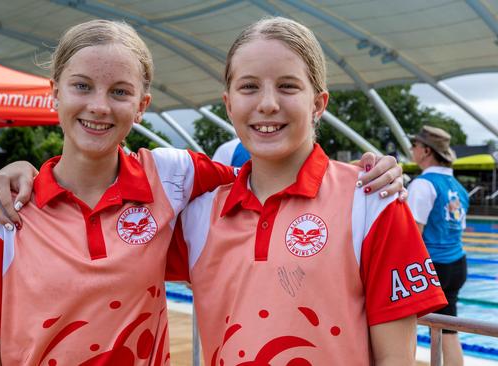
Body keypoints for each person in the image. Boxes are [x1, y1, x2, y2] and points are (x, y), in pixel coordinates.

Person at [0, 19, 403, 365]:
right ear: (55, 92)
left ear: (142, 105)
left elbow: (265, 176)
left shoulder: (174, 179)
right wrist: (12, 171)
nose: (99, 106)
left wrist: (371, 176)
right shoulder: (4, 210)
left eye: (120, 92)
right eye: (82, 86)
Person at [166, 18, 448, 365]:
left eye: (287, 86)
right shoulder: (198, 215)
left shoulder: (372, 201)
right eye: (249, 87)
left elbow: (396, 359)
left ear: (318, 104)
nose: (267, 103)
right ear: (228, 104)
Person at [407, 125, 469, 366]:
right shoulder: (458, 188)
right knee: (448, 328)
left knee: (403, 326)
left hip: (432, 267)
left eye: (414, 146)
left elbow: (412, 235)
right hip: (457, 264)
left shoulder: (423, 184)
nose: (412, 150)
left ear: (425, 151)